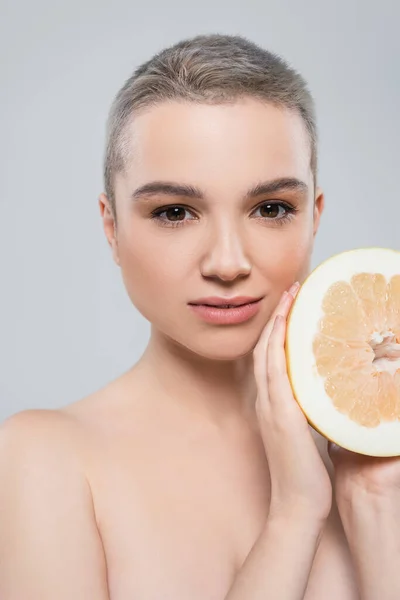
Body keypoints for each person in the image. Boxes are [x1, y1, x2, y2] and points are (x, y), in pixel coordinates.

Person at [0, 33, 398, 600]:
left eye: (271, 208)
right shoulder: (47, 459)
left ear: (314, 216)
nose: (228, 262)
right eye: (175, 212)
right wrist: (295, 513)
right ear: (111, 228)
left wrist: (377, 507)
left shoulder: (378, 454)